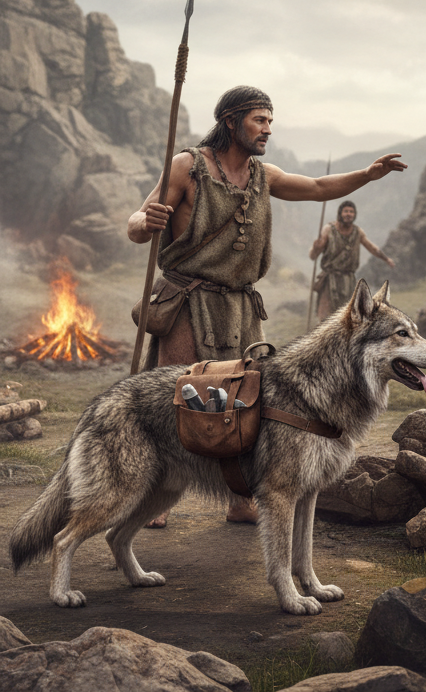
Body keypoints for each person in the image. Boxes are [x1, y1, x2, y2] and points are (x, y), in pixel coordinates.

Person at [127, 85, 407, 526]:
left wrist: (367, 175)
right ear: (231, 122)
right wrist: (146, 221)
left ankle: (240, 498)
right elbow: (135, 224)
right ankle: (159, 494)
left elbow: (317, 187)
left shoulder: (264, 175)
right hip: (188, 301)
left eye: (270, 121)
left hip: (240, 307)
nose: (267, 130)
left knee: (245, 401)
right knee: (180, 398)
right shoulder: (188, 166)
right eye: (260, 120)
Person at [309, 200, 396, 320]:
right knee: (326, 317)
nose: (348, 214)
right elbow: (313, 256)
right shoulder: (329, 229)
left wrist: (386, 259)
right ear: (340, 213)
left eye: (351, 212)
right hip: (330, 280)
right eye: (346, 211)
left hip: (348, 280)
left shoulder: (357, 232)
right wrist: (316, 247)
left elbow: (372, 248)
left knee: (348, 317)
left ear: (354, 215)